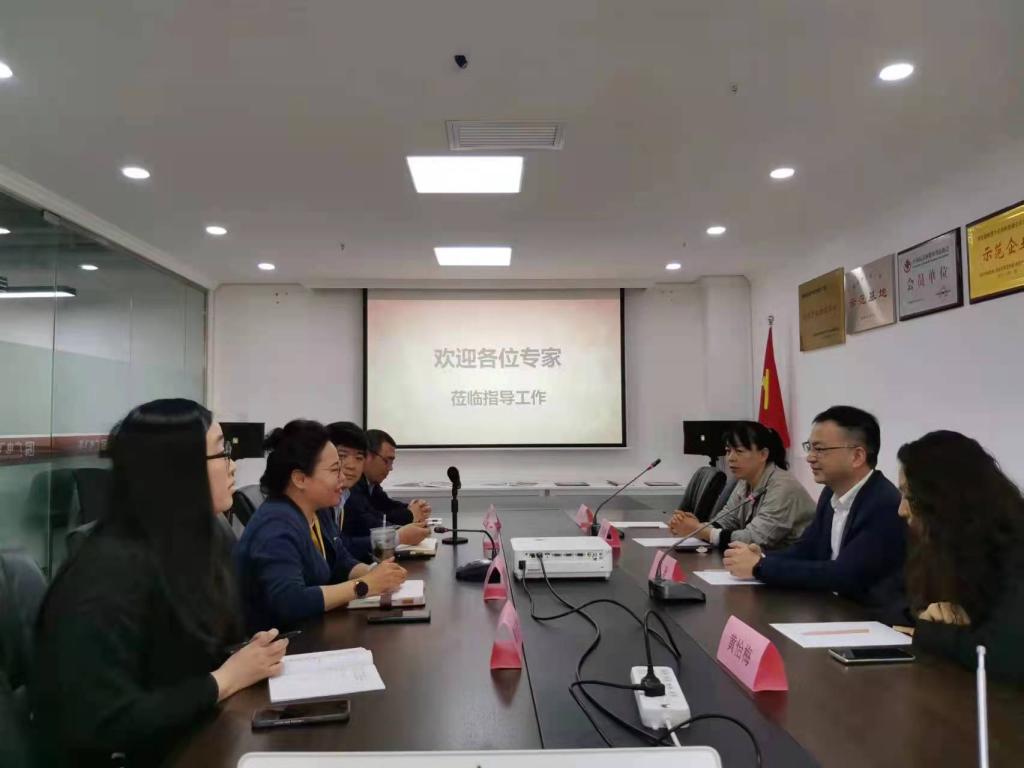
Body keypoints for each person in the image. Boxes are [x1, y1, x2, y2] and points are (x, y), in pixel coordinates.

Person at [31, 399, 289, 767]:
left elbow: (184, 659)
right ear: (178, 470)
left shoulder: (189, 545)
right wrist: (225, 679)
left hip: (191, 738)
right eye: (222, 452)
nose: (232, 465)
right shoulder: (105, 573)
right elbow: (101, 721)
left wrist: (244, 654)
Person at [723, 406, 906, 613]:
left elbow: (844, 574)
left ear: (857, 456)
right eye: (809, 447)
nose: (810, 457)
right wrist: (763, 558)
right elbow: (806, 549)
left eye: (820, 449)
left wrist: (759, 567)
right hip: (832, 607)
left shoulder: (883, 503)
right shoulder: (830, 493)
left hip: (869, 616)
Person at [235, 420, 407, 633]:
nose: (343, 478)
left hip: (312, 630)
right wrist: (364, 586)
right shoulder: (276, 525)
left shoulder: (318, 511)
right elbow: (290, 601)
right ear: (300, 478)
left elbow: (340, 561)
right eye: (335, 470)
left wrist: (375, 573)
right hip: (284, 642)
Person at [897, 431, 1024, 684]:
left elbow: (1002, 657)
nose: (901, 510)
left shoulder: (1016, 546)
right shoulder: (966, 546)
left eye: (910, 497)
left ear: (944, 500)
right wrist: (941, 616)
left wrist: (930, 632)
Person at [669, 421, 815, 551]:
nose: (730, 458)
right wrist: (694, 526)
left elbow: (755, 540)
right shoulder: (745, 481)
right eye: (728, 451)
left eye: (739, 451)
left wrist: (699, 530)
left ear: (763, 454)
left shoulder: (783, 487)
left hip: (793, 566)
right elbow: (726, 521)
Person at [326, 422, 430, 554]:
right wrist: (399, 535)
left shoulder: (345, 492)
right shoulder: (339, 495)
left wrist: (411, 508)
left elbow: (383, 507)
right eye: (342, 456)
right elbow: (364, 524)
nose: (351, 465)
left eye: (358, 457)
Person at [351, 428, 432, 524]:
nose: (390, 468)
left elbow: (387, 505)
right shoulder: (352, 484)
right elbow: (370, 520)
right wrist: (410, 514)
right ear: (367, 456)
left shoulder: (372, 484)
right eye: (387, 461)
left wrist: (413, 508)